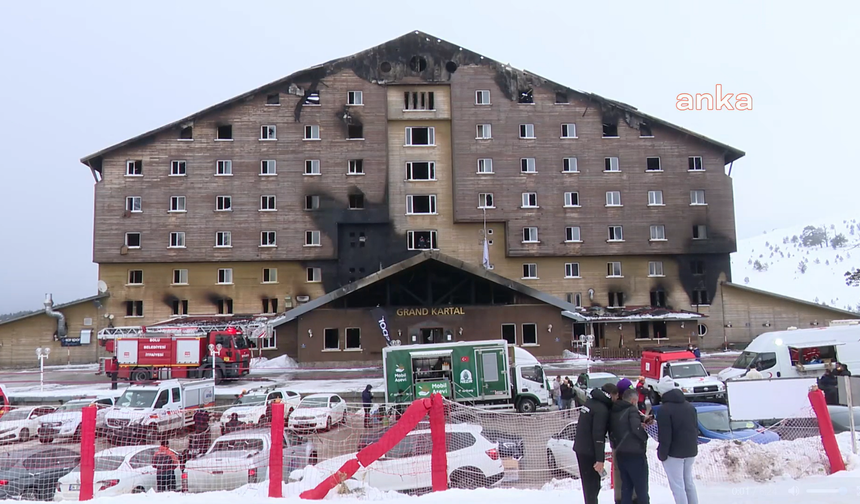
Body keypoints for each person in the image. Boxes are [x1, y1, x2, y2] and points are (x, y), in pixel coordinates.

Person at [574, 383, 618, 504]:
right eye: (616, 396)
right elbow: (598, 435)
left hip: (581, 447)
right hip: (589, 451)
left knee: (589, 485)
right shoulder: (601, 409)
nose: (616, 399)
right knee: (592, 486)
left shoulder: (591, 402)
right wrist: (600, 459)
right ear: (611, 395)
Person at [656, 388, 699, 504]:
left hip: (673, 453)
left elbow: (665, 435)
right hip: (690, 450)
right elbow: (695, 428)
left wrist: (662, 453)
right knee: (688, 482)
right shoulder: (690, 407)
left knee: (677, 486)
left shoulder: (664, 410)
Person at [610, 388, 650, 504]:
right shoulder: (632, 410)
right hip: (635, 454)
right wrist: (644, 437)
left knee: (626, 488)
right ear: (633, 401)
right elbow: (636, 428)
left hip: (621, 454)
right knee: (641, 489)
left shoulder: (615, 410)